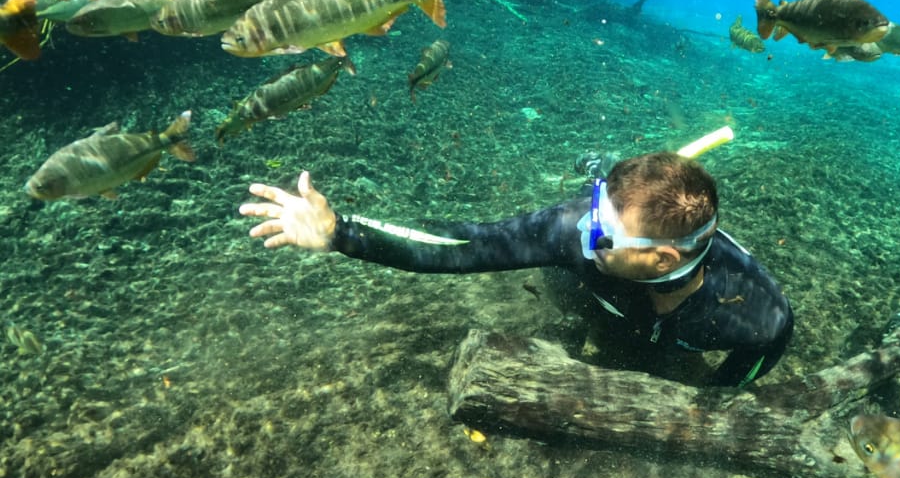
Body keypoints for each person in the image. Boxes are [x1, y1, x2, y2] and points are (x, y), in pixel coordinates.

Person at [239, 151, 794, 387]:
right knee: (571, 218)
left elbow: (760, 354)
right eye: (596, 207)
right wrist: (342, 233)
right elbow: (461, 246)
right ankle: (594, 171)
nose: (584, 232)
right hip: (613, 299)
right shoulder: (572, 231)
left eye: (603, 232)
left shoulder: (754, 313)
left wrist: (713, 401)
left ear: (662, 259)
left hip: (660, 311)